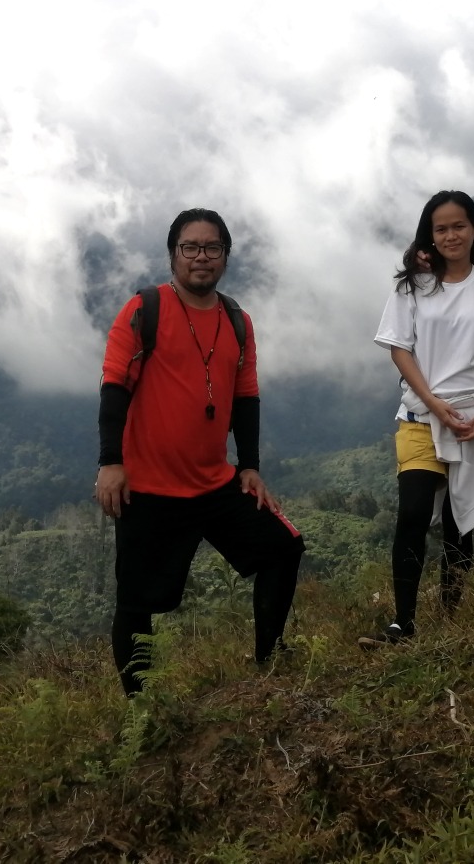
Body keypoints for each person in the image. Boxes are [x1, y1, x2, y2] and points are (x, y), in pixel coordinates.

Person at [94, 208, 304, 695]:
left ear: (225, 256)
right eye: (191, 247)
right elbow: (113, 388)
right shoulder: (144, 310)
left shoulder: (237, 321)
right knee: (136, 603)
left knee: (283, 547)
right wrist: (110, 463)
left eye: (212, 248)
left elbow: (246, 395)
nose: (201, 257)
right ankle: (140, 709)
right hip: (148, 487)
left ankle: (269, 660)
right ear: (174, 255)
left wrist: (248, 465)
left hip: (214, 481)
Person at [368, 191, 474, 644]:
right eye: (441, 228)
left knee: (462, 519)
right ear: (430, 235)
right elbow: (400, 350)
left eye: (459, 225)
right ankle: (404, 621)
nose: (451, 235)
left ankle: (452, 613)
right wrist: (435, 404)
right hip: (421, 416)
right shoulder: (412, 287)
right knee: (414, 513)